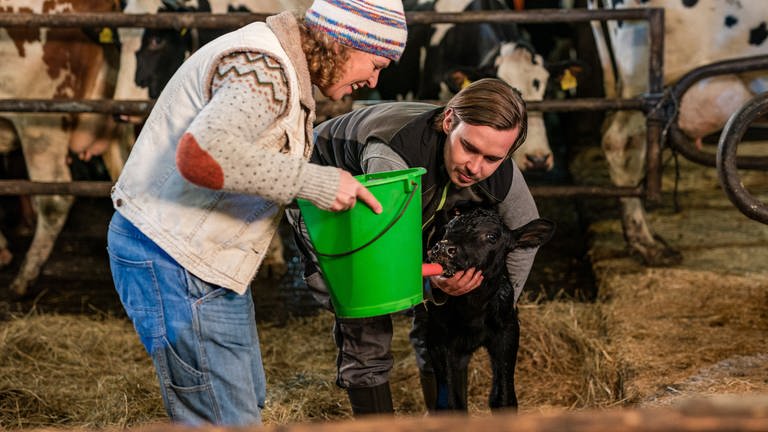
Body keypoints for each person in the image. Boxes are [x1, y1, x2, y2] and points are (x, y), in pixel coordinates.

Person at [106, 0, 407, 426]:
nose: (373, 80)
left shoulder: (280, 63)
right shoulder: (264, 70)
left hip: (202, 256)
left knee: (244, 400)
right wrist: (319, 182)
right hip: (174, 256)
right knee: (223, 417)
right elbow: (203, 154)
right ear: (343, 42)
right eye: (375, 64)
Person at [287, 77, 541, 415]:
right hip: (334, 194)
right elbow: (381, 263)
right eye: (468, 147)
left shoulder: (495, 165)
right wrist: (431, 282)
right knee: (368, 318)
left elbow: (524, 237)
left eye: (493, 157)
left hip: (414, 200)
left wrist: (495, 307)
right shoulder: (392, 159)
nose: (476, 167)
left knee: (439, 311)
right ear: (449, 120)